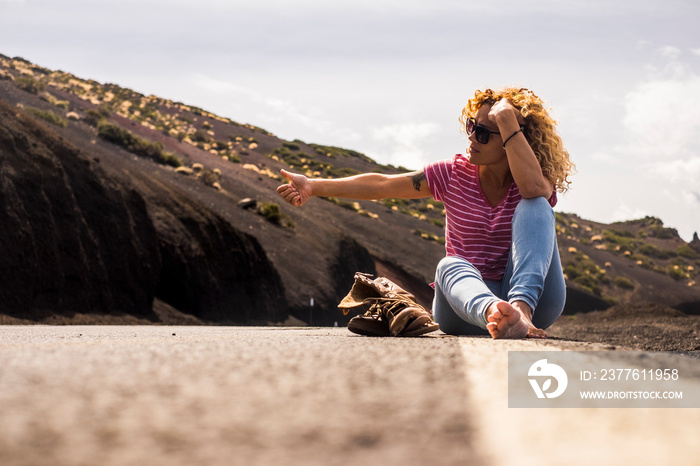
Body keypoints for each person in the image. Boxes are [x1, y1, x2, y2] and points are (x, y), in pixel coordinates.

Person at [276, 87, 575, 339]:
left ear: (514, 139)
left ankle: (519, 314)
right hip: (464, 304)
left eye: (484, 133)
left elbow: (535, 189)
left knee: (536, 204)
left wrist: (509, 119)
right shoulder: (452, 174)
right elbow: (382, 186)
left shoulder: (533, 179)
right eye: (472, 126)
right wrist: (313, 186)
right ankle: (495, 313)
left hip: (536, 303)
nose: (472, 137)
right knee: (449, 265)